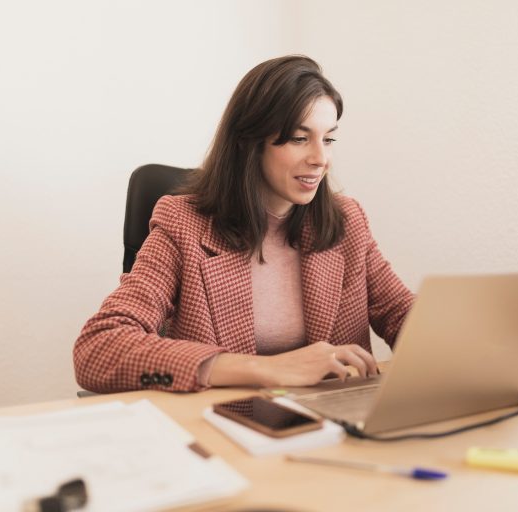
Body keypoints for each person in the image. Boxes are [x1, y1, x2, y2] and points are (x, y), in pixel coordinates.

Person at [73, 55, 414, 393]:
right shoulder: (184, 225)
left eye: (328, 139)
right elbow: (97, 349)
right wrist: (266, 369)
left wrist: (453, 345)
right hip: (224, 430)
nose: (320, 159)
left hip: (335, 432)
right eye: (299, 138)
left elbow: (402, 315)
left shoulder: (347, 221)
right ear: (249, 142)